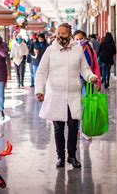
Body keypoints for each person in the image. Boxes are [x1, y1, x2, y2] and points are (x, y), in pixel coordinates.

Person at [35, 23, 98, 169]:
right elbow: (41, 72)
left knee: (73, 126)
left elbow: (85, 69)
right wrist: (40, 90)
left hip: (73, 95)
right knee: (58, 128)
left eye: (64, 33)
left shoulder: (77, 50)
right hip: (56, 94)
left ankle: (72, 156)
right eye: (59, 33)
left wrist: (91, 77)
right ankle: (60, 157)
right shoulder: (50, 50)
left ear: (69, 34)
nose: (61, 36)